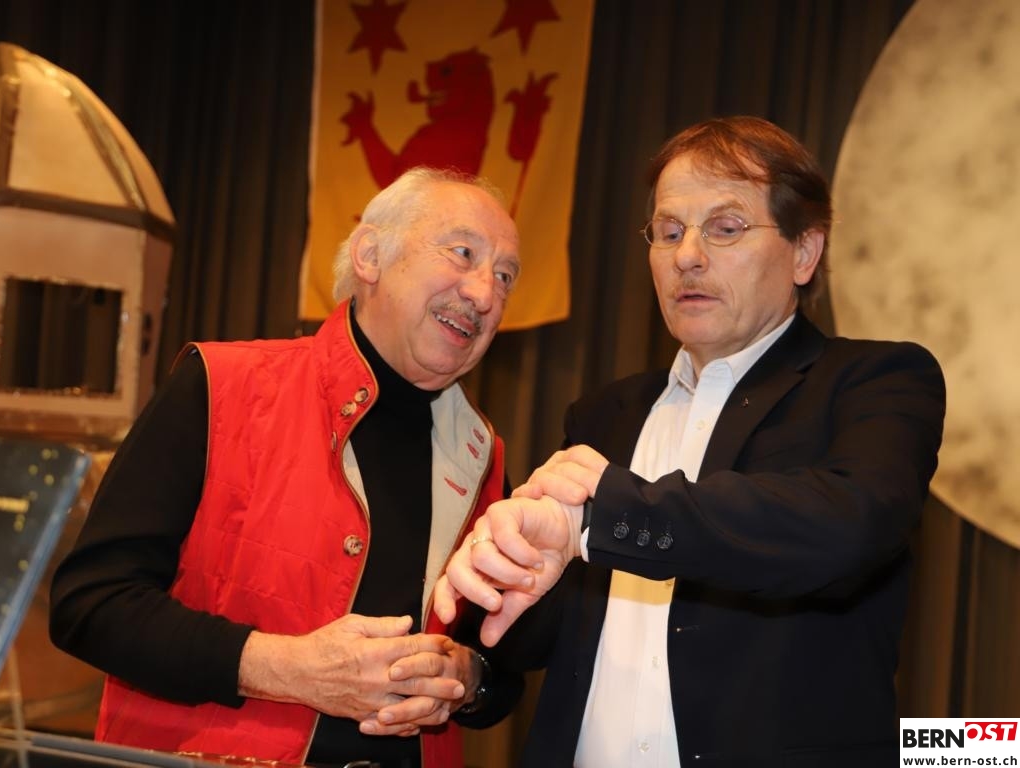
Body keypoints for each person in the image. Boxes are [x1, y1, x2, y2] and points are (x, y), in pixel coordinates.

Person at [430, 116, 946, 767]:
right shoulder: (604, 416)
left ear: (804, 252)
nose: (687, 256)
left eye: (725, 228)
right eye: (669, 232)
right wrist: (504, 587)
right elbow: (537, 642)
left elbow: (849, 525)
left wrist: (606, 515)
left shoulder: (874, 380)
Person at [50, 167, 524, 768]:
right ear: (371, 256)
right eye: (463, 254)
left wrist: (466, 678)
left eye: (504, 276)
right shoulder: (220, 387)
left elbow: (504, 672)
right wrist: (285, 669)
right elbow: (89, 605)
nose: (484, 295)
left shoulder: (483, 458)